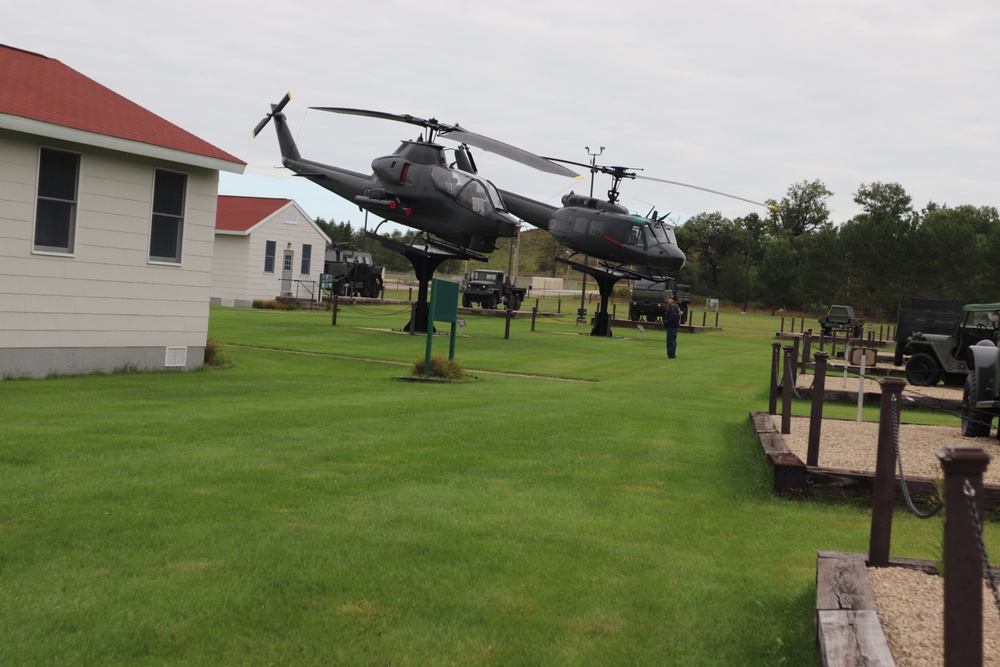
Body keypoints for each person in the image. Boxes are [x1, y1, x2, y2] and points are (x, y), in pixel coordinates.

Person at [664, 294, 681, 359]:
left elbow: (673, 317)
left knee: (671, 341)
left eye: (670, 299)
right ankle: (671, 354)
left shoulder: (674, 307)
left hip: (672, 326)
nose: (668, 300)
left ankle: (671, 355)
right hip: (673, 326)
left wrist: (666, 322)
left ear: (673, 301)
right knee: (672, 340)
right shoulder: (675, 307)